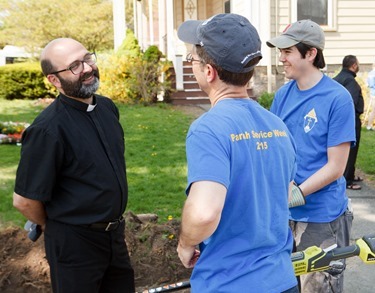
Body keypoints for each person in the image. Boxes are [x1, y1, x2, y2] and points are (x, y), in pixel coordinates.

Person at [176, 13, 298, 292]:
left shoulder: (208, 129)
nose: (190, 65)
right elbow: (287, 191)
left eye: (192, 59)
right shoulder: (277, 125)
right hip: (281, 280)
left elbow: (205, 212)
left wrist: (186, 244)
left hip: (229, 282)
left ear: (209, 72)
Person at [13, 38, 135, 293]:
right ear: (54, 80)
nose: (88, 68)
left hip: (114, 236)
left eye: (88, 58)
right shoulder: (47, 130)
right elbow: (24, 201)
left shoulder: (107, 108)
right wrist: (55, 227)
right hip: (74, 245)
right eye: (75, 66)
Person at [267, 20, 355, 293]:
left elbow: (336, 167)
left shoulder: (337, 98)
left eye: (288, 51)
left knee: (318, 289)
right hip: (283, 217)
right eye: (280, 52)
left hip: (321, 219)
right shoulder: (282, 95)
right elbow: (274, 147)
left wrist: (296, 193)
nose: (281, 58)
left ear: (310, 53)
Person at [334, 55, 364, 190]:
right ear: (354, 66)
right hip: (350, 121)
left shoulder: (337, 79)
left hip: (336, 121)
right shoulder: (350, 81)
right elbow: (350, 103)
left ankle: (349, 175)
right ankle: (347, 180)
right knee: (350, 151)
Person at [366, 62, 375, 130]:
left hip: (372, 93)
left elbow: (368, 84)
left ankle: (369, 125)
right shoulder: (373, 73)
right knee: (373, 111)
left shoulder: (370, 73)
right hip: (374, 93)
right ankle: (369, 126)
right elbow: (372, 84)